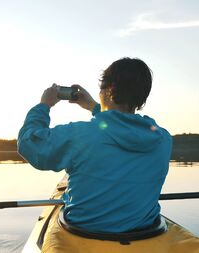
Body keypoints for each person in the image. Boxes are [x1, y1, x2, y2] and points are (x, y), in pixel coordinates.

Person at [17, 57, 172, 233]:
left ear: (110, 89)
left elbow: (29, 144)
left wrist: (43, 105)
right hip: (144, 233)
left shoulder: (79, 136)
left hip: (84, 233)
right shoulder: (164, 140)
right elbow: (118, 127)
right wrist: (92, 106)